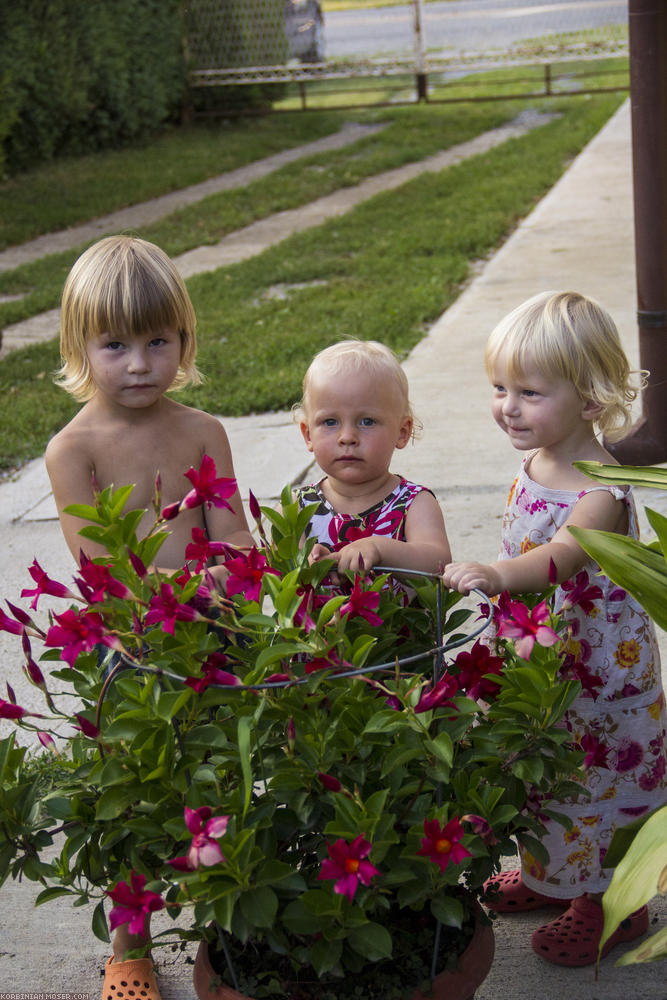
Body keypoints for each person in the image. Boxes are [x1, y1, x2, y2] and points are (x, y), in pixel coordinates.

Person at [44, 235, 254, 998]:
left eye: (157, 341)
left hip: (211, 632)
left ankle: (234, 913)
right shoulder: (73, 450)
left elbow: (229, 531)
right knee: (133, 792)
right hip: (130, 647)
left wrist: (229, 572)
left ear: (183, 341)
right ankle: (129, 947)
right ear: (80, 346)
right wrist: (167, 597)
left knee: (225, 775)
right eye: (115, 344)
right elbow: (98, 568)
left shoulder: (203, 432)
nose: (139, 363)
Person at [443, 291, 667, 967]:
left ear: (591, 402)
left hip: (599, 677)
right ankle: (551, 878)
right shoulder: (536, 461)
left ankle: (606, 907)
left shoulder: (599, 491)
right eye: (498, 387)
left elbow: (555, 560)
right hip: (544, 665)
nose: (507, 406)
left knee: (596, 789)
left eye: (529, 392)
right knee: (540, 772)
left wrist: (495, 572)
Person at [294, 339, 451, 575]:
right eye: (330, 422)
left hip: (397, 614)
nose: (347, 437)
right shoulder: (297, 507)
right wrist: (307, 563)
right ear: (308, 434)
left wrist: (379, 549)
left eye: (367, 421)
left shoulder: (414, 504)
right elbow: (274, 573)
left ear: (402, 432)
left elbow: (438, 563)